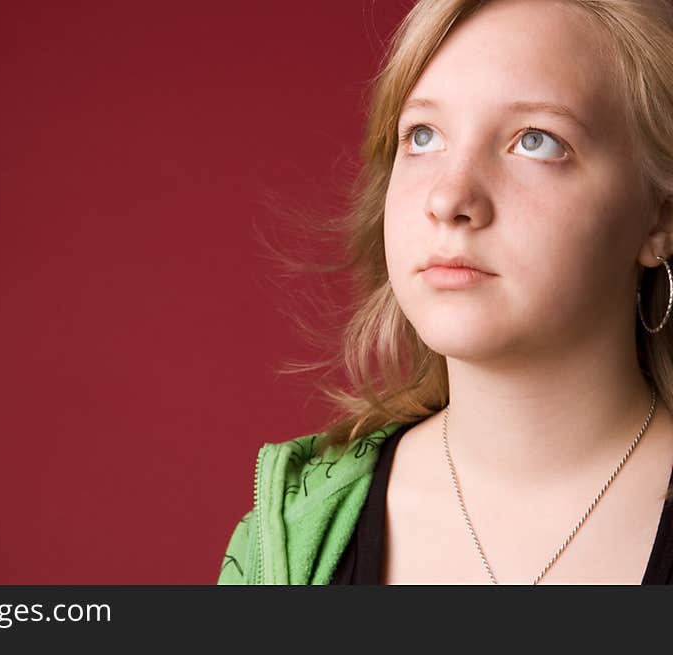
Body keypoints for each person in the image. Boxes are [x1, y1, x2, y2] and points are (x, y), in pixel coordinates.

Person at [216, 0, 673, 585]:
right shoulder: (287, 536)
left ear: (659, 218)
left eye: (536, 141)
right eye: (423, 135)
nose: (449, 197)